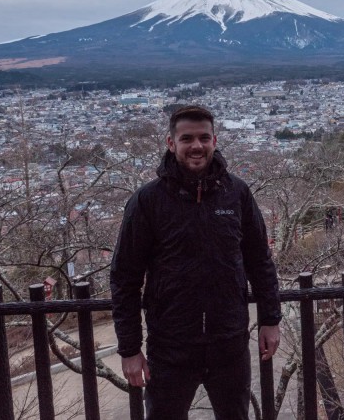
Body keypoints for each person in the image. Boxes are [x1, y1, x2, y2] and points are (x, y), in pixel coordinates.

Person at [111, 105, 281, 420]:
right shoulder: (149, 201)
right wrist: (130, 349)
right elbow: (125, 278)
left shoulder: (237, 193)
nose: (197, 146)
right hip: (170, 345)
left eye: (204, 138)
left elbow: (260, 260)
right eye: (187, 138)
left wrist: (271, 318)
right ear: (171, 143)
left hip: (229, 342)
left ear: (215, 141)